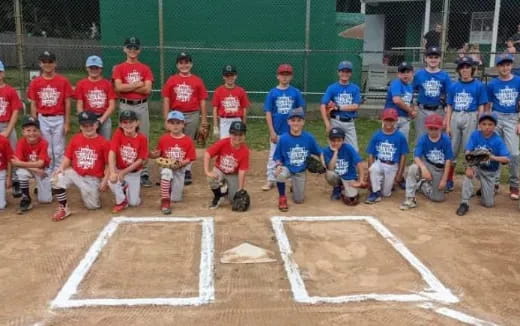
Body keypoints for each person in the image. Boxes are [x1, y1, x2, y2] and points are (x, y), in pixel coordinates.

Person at [51, 112, 110, 221]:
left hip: (92, 178)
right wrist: (61, 167)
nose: (88, 128)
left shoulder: (104, 143)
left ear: (96, 125)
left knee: (92, 207)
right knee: (56, 178)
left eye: (91, 125)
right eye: (84, 126)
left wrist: (105, 180)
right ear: (80, 126)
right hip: (75, 172)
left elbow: (108, 164)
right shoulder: (75, 139)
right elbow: (68, 157)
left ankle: (87, 193)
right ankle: (64, 208)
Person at [112, 36, 153, 187]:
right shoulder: (119, 68)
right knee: (124, 135)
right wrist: (137, 84)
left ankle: (144, 171)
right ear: (124, 49)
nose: (132, 50)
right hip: (125, 105)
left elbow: (147, 89)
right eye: (129, 47)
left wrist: (127, 86)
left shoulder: (145, 68)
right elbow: (118, 88)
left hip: (141, 105)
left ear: (139, 50)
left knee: (143, 136)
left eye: (135, 47)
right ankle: (123, 166)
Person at [161, 52, 208, 186]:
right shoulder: (172, 80)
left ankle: (186, 169)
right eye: (181, 62)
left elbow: (202, 101)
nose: (184, 65)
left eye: (187, 62)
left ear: (191, 64)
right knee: (173, 140)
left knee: (188, 141)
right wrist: (166, 118)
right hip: (176, 114)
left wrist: (204, 119)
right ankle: (170, 167)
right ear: (177, 65)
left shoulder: (197, 80)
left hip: (192, 114)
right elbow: (166, 99)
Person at [445, 56, 488, 192]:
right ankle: (449, 179)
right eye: (462, 67)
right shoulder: (454, 86)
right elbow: (450, 106)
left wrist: (480, 124)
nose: (465, 70)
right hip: (456, 115)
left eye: (467, 67)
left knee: (469, 149)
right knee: (452, 148)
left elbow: (481, 106)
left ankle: (468, 182)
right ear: (459, 70)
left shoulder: (478, 85)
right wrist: (447, 124)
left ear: (472, 69)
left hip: (471, 115)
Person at [27, 51, 73, 173]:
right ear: (40, 64)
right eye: (44, 62)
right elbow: (33, 103)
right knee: (46, 148)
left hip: (58, 118)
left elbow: (67, 102)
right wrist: (34, 123)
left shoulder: (63, 81)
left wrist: (67, 122)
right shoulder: (35, 82)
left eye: (50, 62)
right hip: (42, 118)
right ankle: (47, 173)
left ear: (55, 63)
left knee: (58, 149)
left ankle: (58, 174)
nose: (47, 64)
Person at [456, 113, 510, 216]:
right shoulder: (475, 135)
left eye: (490, 124)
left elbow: (506, 159)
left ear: (495, 126)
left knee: (488, 204)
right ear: (479, 125)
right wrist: (469, 167)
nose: (487, 127)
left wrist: (491, 157)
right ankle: (464, 203)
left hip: (490, 172)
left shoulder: (497, 140)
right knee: (468, 175)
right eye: (484, 124)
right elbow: (468, 152)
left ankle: (484, 190)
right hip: (477, 167)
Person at [262, 64, 305, 191]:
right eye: (282, 74)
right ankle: (271, 180)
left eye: (287, 74)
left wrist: (299, 129)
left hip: (292, 131)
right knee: (273, 156)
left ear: (291, 76)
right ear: (277, 76)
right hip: (277, 131)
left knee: (291, 156)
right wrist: (272, 131)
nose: (284, 77)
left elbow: (300, 111)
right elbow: (268, 112)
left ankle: (292, 181)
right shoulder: (272, 93)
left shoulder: (295, 92)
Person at [400, 114, 453, 210]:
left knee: (438, 198)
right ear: (427, 128)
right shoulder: (423, 138)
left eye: (435, 128)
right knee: (413, 168)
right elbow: (416, 156)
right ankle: (410, 198)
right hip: (427, 164)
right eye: (430, 128)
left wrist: (444, 180)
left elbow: (448, 160)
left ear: (440, 128)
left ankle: (422, 185)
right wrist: (423, 169)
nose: (432, 131)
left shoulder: (446, 140)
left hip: (439, 169)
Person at [273, 108, 322, 211]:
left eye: (299, 120)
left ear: (303, 122)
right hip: (287, 167)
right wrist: (278, 166)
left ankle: (294, 186)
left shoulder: (309, 138)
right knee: (280, 174)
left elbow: (319, 152)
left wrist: (323, 165)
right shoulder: (283, 138)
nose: (296, 123)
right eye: (293, 120)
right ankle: (282, 197)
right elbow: (277, 156)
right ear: (288, 122)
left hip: (300, 170)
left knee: (299, 200)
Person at [486, 53, 520, 199]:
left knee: (513, 153)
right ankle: (494, 183)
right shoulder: (492, 84)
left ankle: (514, 185)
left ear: (511, 66)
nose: (505, 67)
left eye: (507, 64)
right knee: (495, 151)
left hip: (513, 117)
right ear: (497, 67)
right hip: (496, 117)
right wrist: (487, 123)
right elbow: (488, 105)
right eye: (502, 65)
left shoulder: (518, 81)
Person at [150, 111, 196, 214]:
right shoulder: (163, 138)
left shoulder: (188, 140)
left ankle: (169, 188)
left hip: (180, 169)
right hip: (167, 168)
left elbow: (190, 158)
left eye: (178, 123)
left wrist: (181, 163)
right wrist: (152, 154)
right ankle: (165, 200)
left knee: (176, 199)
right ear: (167, 124)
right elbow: (159, 155)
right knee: (166, 172)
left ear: (183, 124)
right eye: (172, 123)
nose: (175, 125)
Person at [108, 110, 148, 213]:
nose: (128, 125)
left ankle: (125, 186)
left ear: (137, 122)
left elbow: (140, 160)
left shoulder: (142, 138)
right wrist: (113, 172)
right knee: (111, 179)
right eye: (125, 122)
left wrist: (124, 172)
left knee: (134, 203)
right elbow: (112, 152)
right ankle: (121, 201)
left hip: (133, 172)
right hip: (119, 168)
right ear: (120, 124)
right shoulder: (118, 134)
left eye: (131, 122)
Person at [365, 108, 409, 204]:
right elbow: (371, 154)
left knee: (386, 193)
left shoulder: (400, 136)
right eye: (387, 120)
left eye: (391, 120)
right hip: (380, 162)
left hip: (392, 165)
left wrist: (399, 174)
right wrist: (370, 172)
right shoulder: (376, 135)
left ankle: (383, 183)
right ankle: (375, 193)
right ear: (382, 120)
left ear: (396, 121)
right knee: (374, 169)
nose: (389, 122)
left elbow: (403, 156)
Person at [204, 121, 250, 209]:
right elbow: (207, 154)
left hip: (233, 174)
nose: (237, 137)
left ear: (244, 135)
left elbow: (242, 171)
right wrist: (207, 171)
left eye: (240, 134)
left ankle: (225, 189)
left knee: (233, 199)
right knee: (211, 177)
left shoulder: (245, 151)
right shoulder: (223, 143)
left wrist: (240, 189)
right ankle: (218, 196)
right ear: (230, 134)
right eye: (234, 134)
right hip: (220, 170)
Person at [11, 116, 52, 214]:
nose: (31, 133)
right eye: (28, 130)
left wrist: (21, 163)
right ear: (23, 132)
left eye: (35, 130)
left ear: (39, 132)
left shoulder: (44, 143)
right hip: (35, 170)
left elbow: (41, 163)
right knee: (21, 173)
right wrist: (35, 169)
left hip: (42, 171)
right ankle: (26, 198)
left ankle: (41, 187)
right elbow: (15, 163)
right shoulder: (21, 143)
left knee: (45, 200)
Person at [319, 60, 362, 151]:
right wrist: (327, 124)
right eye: (342, 71)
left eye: (347, 71)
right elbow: (323, 105)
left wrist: (338, 107)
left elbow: (355, 106)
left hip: (350, 122)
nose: (345, 74)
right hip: (336, 121)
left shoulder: (355, 88)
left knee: (354, 150)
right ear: (338, 72)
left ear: (351, 73)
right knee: (335, 148)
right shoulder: (332, 88)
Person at [413, 46, 451, 144]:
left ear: (440, 59)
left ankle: (436, 158)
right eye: (430, 57)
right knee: (421, 138)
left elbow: (449, 94)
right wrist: (414, 105)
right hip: (422, 110)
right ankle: (418, 158)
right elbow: (412, 91)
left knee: (438, 137)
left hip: (438, 110)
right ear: (425, 59)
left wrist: (446, 110)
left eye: (436, 57)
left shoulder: (444, 76)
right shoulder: (419, 74)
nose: (433, 60)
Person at [75, 55, 116, 139]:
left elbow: (112, 105)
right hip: (88, 118)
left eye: (96, 68)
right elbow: (80, 104)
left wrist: (101, 120)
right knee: (88, 143)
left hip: (103, 117)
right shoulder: (81, 84)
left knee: (105, 143)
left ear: (101, 69)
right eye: (91, 68)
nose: (94, 70)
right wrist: (82, 118)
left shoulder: (107, 84)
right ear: (87, 68)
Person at [323, 127, 366, 205]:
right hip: (336, 176)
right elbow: (330, 168)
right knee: (329, 174)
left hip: (348, 177)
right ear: (329, 140)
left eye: (339, 140)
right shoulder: (326, 150)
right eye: (333, 140)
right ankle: (337, 188)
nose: (336, 143)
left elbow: (359, 163)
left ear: (343, 140)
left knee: (351, 200)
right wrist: (335, 152)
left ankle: (344, 189)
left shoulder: (348, 148)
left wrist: (360, 181)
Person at [0, 59, 23, 197]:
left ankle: (15, 181)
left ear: (3, 73)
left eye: (0, 71)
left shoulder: (10, 90)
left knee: (13, 153)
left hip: (7, 124)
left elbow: (15, 110)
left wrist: (8, 130)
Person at [212, 65, 250, 139]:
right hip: (224, 120)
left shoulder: (241, 91)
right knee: (224, 142)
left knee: (237, 141)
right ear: (223, 77)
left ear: (236, 76)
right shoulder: (218, 91)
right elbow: (215, 109)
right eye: (227, 75)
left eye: (232, 75)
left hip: (237, 119)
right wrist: (215, 126)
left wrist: (244, 124)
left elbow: (244, 109)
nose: (230, 77)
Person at [384, 61, 415, 142]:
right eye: (402, 72)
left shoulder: (410, 87)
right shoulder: (396, 83)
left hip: (404, 118)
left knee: (402, 144)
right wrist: (410, 110)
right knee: (389, 142)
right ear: (398, 74)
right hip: (392, 118)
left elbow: (410, 102)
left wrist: (413, 111)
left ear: (412, 73)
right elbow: (397, 100)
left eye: (408, 72)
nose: (405, 74)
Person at [0, 133, 13, 210]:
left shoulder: (3, 140)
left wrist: (9, 177)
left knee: (1, 206)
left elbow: (9, 160)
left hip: (1, 173)